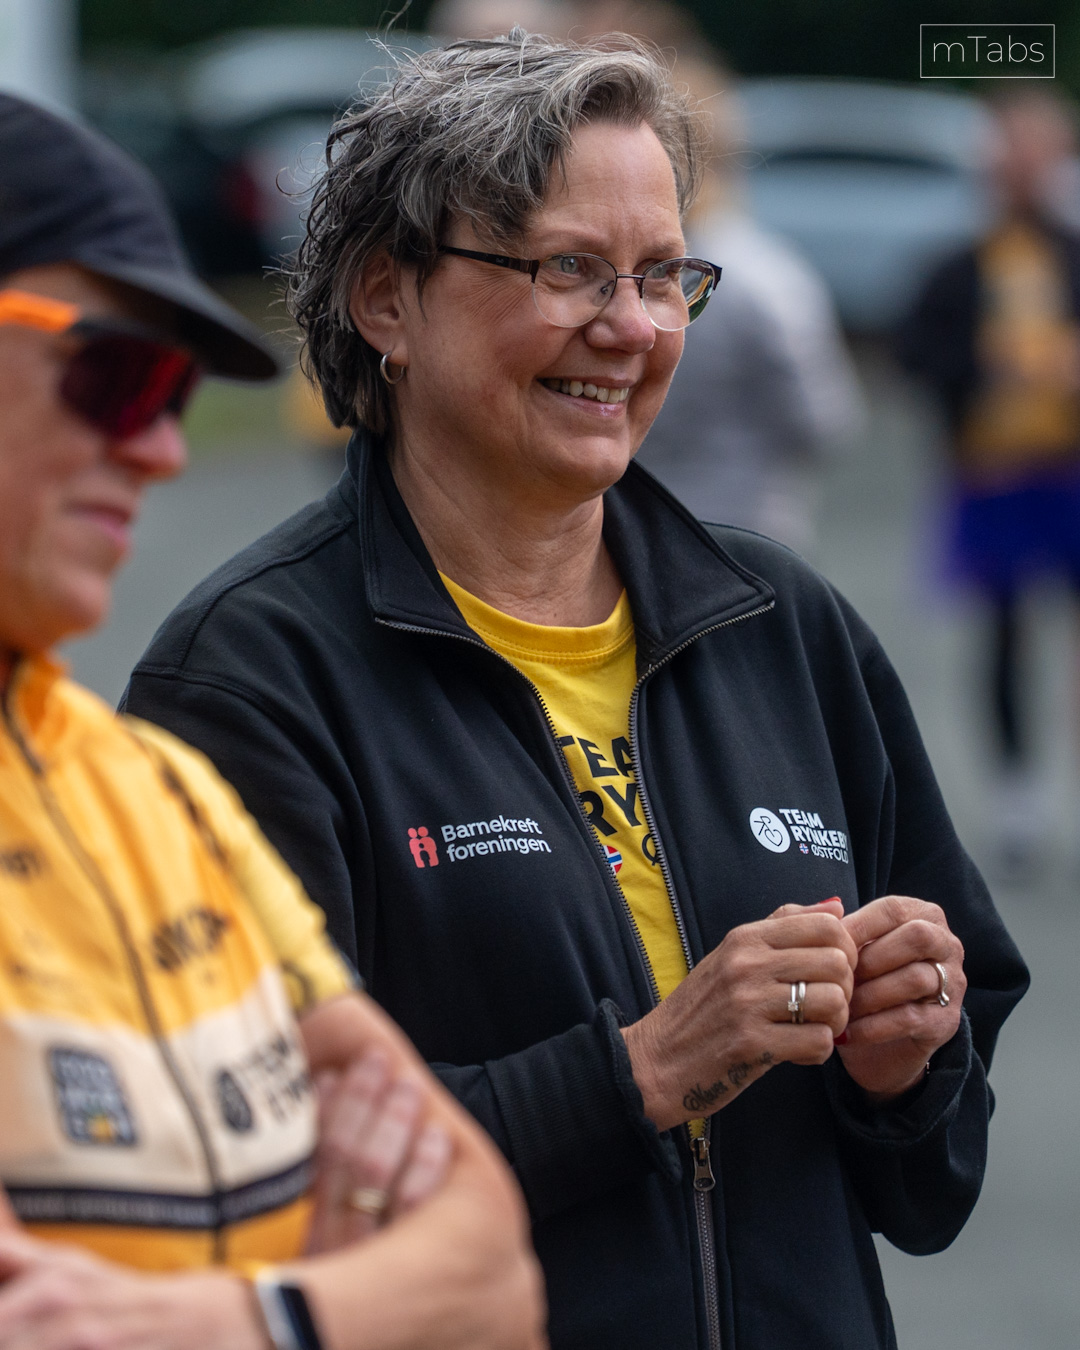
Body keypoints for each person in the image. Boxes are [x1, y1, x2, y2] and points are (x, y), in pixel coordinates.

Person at [123, 32, 1029, 1350]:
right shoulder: (250, 679)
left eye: (665, 275)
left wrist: (908, 1068)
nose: (634, 325)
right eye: (569, 268)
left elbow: (932, 1183)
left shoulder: (783, 626)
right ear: (386, 300)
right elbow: (244, 1171)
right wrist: (646, 1071)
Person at [0, 92, 544, 1350]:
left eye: (175, 393)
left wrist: (245, 1319)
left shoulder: (158, 785)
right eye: (115, 376)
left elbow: (493, 1280)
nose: (163, 450)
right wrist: (354, 1300)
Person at [898, 88, 1080, 870]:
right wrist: (983, 369)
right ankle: (1017, 792)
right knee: (1003, 633)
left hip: (1069, 471)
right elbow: (915, 353)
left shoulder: (1068, 254)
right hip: (995, 473)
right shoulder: (959, 264)